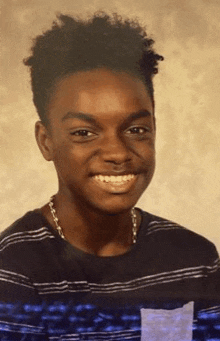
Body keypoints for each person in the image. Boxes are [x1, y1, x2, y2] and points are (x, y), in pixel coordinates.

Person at [0, 11, 219, 341]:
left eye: (136, 129)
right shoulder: (15, 270)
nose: (117, 152)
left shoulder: (192, 259)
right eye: (85, 132)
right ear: (47, 142)